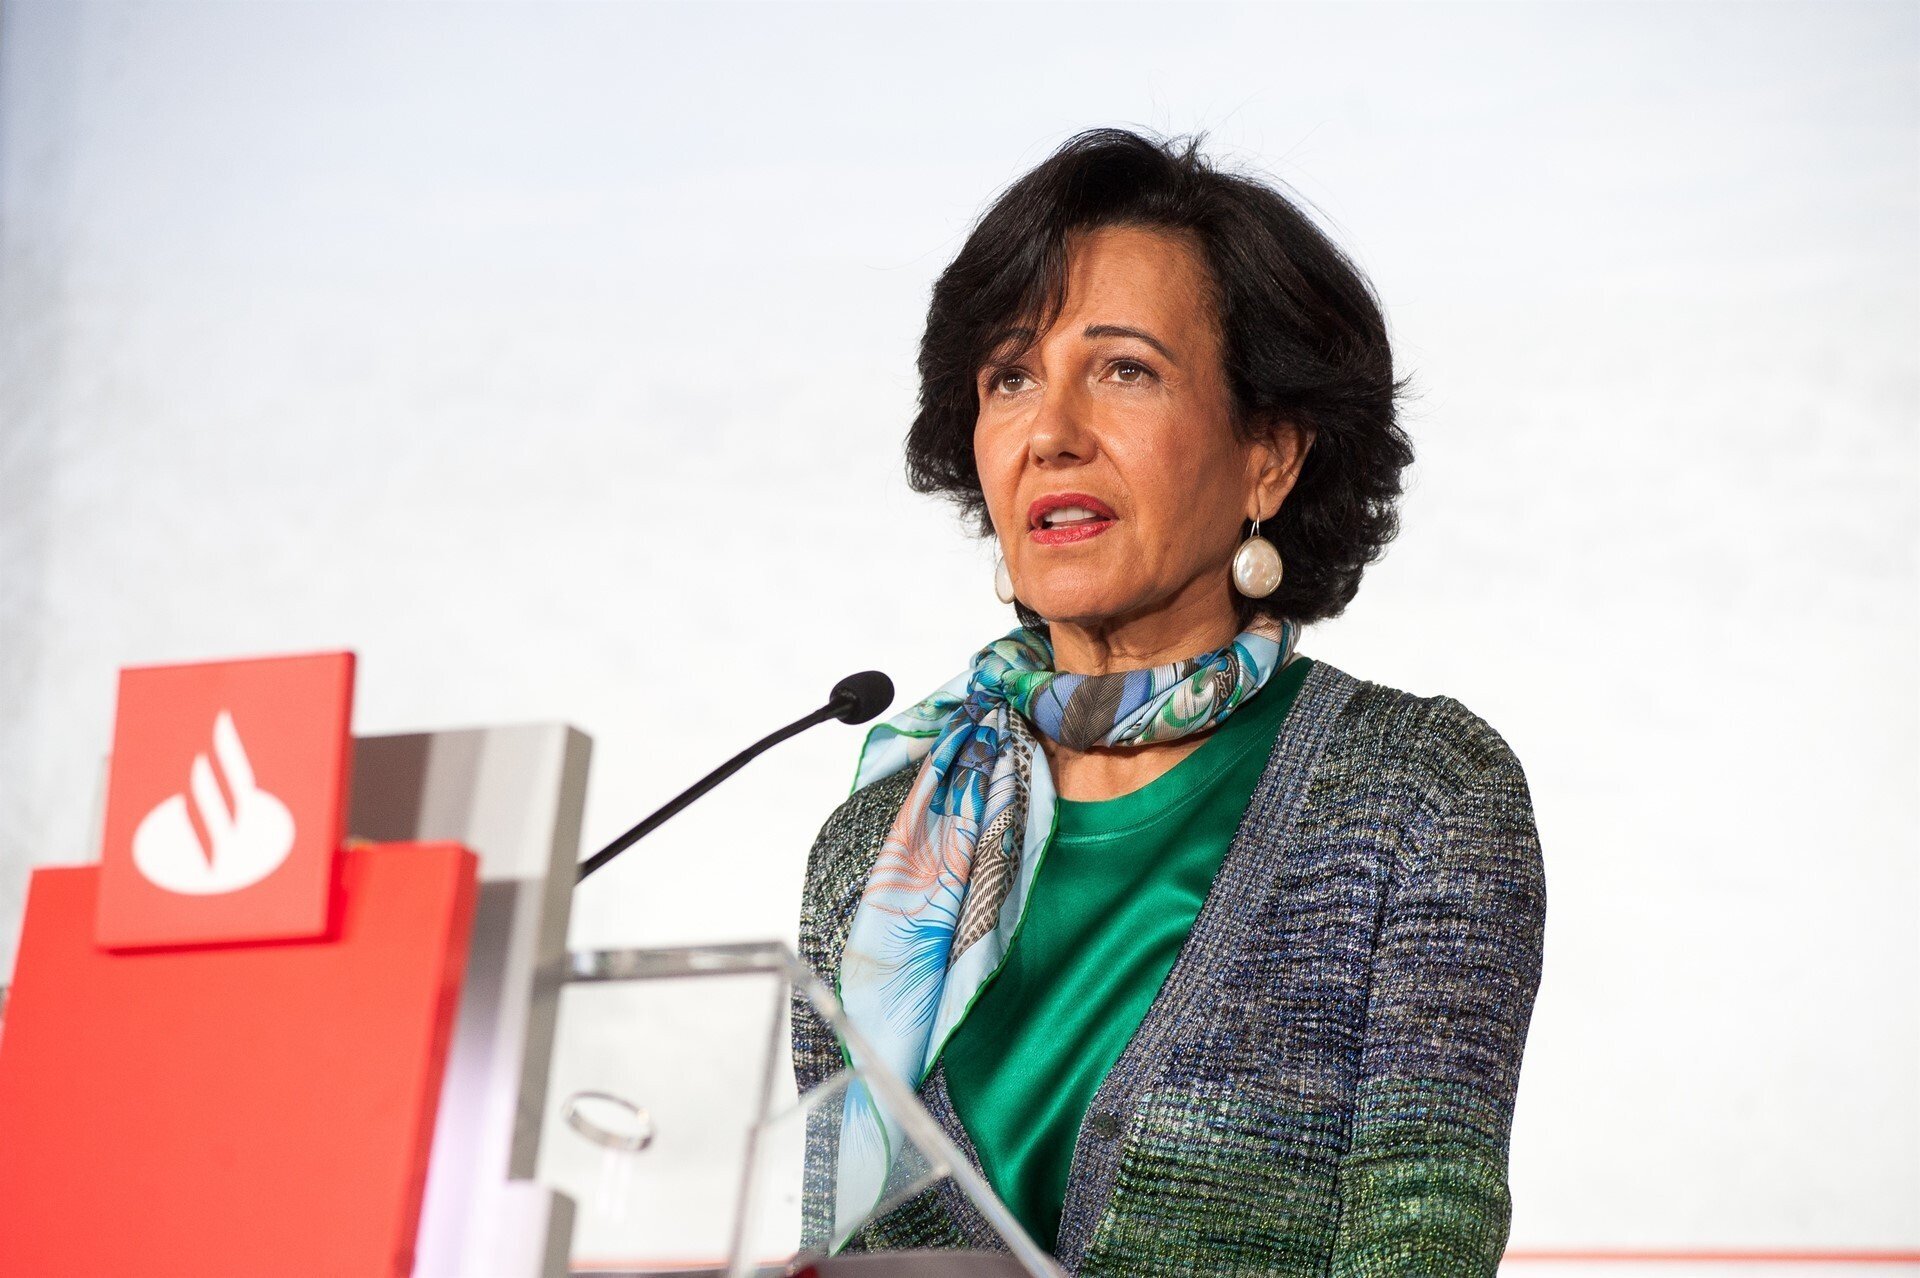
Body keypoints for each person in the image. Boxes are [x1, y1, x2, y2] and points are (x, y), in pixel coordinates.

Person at [790, 126, 1547, 1277]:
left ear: (1269, 455)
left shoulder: (1416, 791)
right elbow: (832, 1247)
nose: (1052, 434)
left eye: (1125, 370)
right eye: (1010, 379)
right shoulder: (872, 850)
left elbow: (1422, 1241)